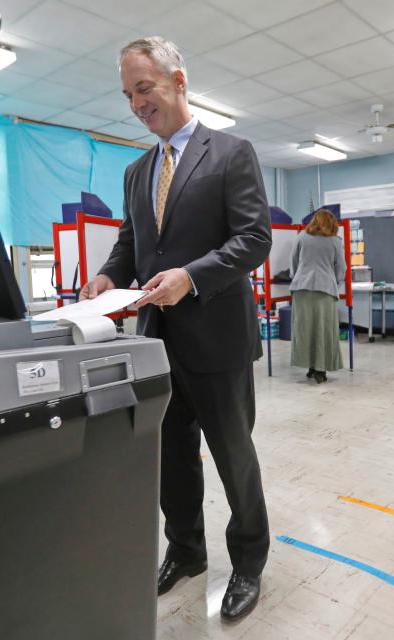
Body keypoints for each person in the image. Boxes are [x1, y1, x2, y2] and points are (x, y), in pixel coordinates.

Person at [79, 36, 271, 621]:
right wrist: (110, 277)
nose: (137, 103)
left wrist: (192, 276)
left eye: (145, 88)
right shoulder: (139, 171)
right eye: (128, 94)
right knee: (170, 455)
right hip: (156, 340)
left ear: (178, 81)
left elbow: (253, 239)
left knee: (232, 453)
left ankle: (247, 563)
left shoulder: (232, 153)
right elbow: (132, 245)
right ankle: (186, 550)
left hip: (217, 338)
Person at [289, 209, 345, 383]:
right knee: (323, 330)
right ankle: (320, 370)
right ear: (332, 223)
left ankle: (309, 367)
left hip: (302, 289)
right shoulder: (335, 241)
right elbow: (340, 268)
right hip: (325, 290)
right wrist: (335, 283)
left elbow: (294, 264)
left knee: (304, 330)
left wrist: (299, 277)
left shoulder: (300, 237)